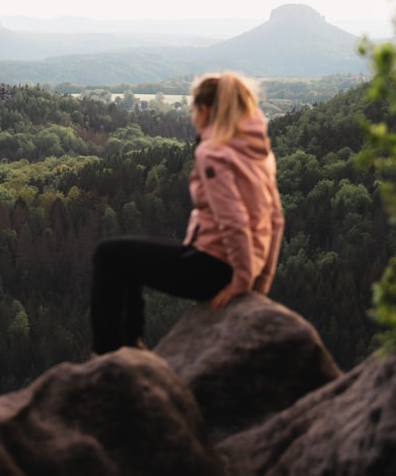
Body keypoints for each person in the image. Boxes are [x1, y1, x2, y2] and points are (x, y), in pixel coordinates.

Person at [90, 71, 284, 354]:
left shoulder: (214, 152)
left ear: (205, 111)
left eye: (195, 109)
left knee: (108, 255)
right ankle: (130, 345)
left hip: (213, 268)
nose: (194, 116)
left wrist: (241, 282)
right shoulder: (259, 153)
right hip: (235, 264)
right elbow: (275, 219)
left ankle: (110, 355)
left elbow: (234, 221)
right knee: (125, 258)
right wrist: (260, 281)